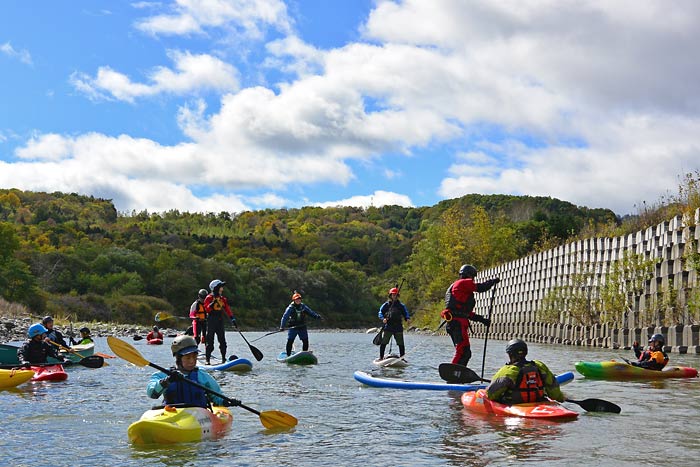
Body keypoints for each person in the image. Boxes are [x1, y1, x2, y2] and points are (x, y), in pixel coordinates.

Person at [146, 335, 230, 408]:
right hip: (173, 414)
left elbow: (217, 397)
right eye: (188, 358)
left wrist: (226, 402)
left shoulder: (203, 376)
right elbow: (151, 393)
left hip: (199, 417)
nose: (192, 361)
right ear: (178, 358)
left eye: (194, 357)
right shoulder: (163, 375)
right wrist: (167, 381)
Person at [441, 264, 499, 367]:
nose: (473, 280)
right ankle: (453, 372)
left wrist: (482, 320)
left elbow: (466, 313)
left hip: (455, 323)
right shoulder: (464, 283)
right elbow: (481, 288)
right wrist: (492, 282)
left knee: (466, 353)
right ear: (470, 275)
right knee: (462, 351)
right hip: (457, 323)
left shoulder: (458, 286)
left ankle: (459, 372)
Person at [486, 339, 564, 404]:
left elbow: (490, 394)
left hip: (516, 405)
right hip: (538, 402)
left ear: (510, 354)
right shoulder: (539, 366)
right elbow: (554, 390)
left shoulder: (508, 371)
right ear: (526, 352)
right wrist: (560, 398)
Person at [203, 279, 237, 365]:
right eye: (221, 287)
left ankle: (223, 359)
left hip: (220, 320)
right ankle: (207, 360)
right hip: (211, 320)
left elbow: (227, 309)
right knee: (210, 341)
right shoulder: (209, 298)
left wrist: (233, 319)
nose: (222, 289)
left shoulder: (222, 299)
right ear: (216, 288)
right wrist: (213, 302)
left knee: (222, 340)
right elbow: (207, 309)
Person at [280, 291, 322, 356]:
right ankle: (288, 355)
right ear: (294, 300)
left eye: (299, 299)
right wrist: (282, 327)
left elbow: (311, 312)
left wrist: (317, 316)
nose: (298, 300)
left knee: (305, 341)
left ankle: (304, 354)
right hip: (293, 327)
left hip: (302, 327)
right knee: (290, 341)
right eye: (297, 299)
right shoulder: (290, 308)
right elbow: (285, 317)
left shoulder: (303, 307)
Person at [377, 287, 411, 360]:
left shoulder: (401, 306)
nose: (394, 296)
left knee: (401, 344)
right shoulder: (386, 305)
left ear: (398, 296)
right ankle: (381, 357)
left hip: (398, 326)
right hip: (388, 326)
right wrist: (383, 319)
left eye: (396, 295)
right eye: (393, 295)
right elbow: (380, 312)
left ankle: (402, 358)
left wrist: (407, 318)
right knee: (384, 343)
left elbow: (406, 313)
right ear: (390, 296)